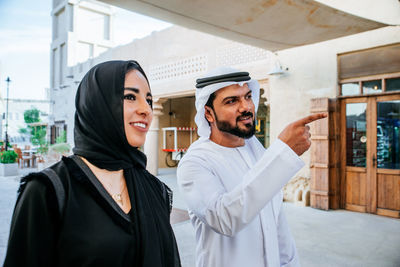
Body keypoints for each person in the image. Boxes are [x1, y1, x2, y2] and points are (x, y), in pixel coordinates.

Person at [4, 60, 181, 267]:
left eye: (149, 100)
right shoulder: (49, 191)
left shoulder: (154, 189)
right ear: (98, 104)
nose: (146, 110)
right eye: (130, 97)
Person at [177, 67, 326, 267]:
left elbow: (277, 224)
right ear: (208, 113)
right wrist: (283, 153)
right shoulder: (195, 162)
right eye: (232, 101)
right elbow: (224, 219)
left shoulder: (256, 150)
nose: (246, 107)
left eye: (248, 97)